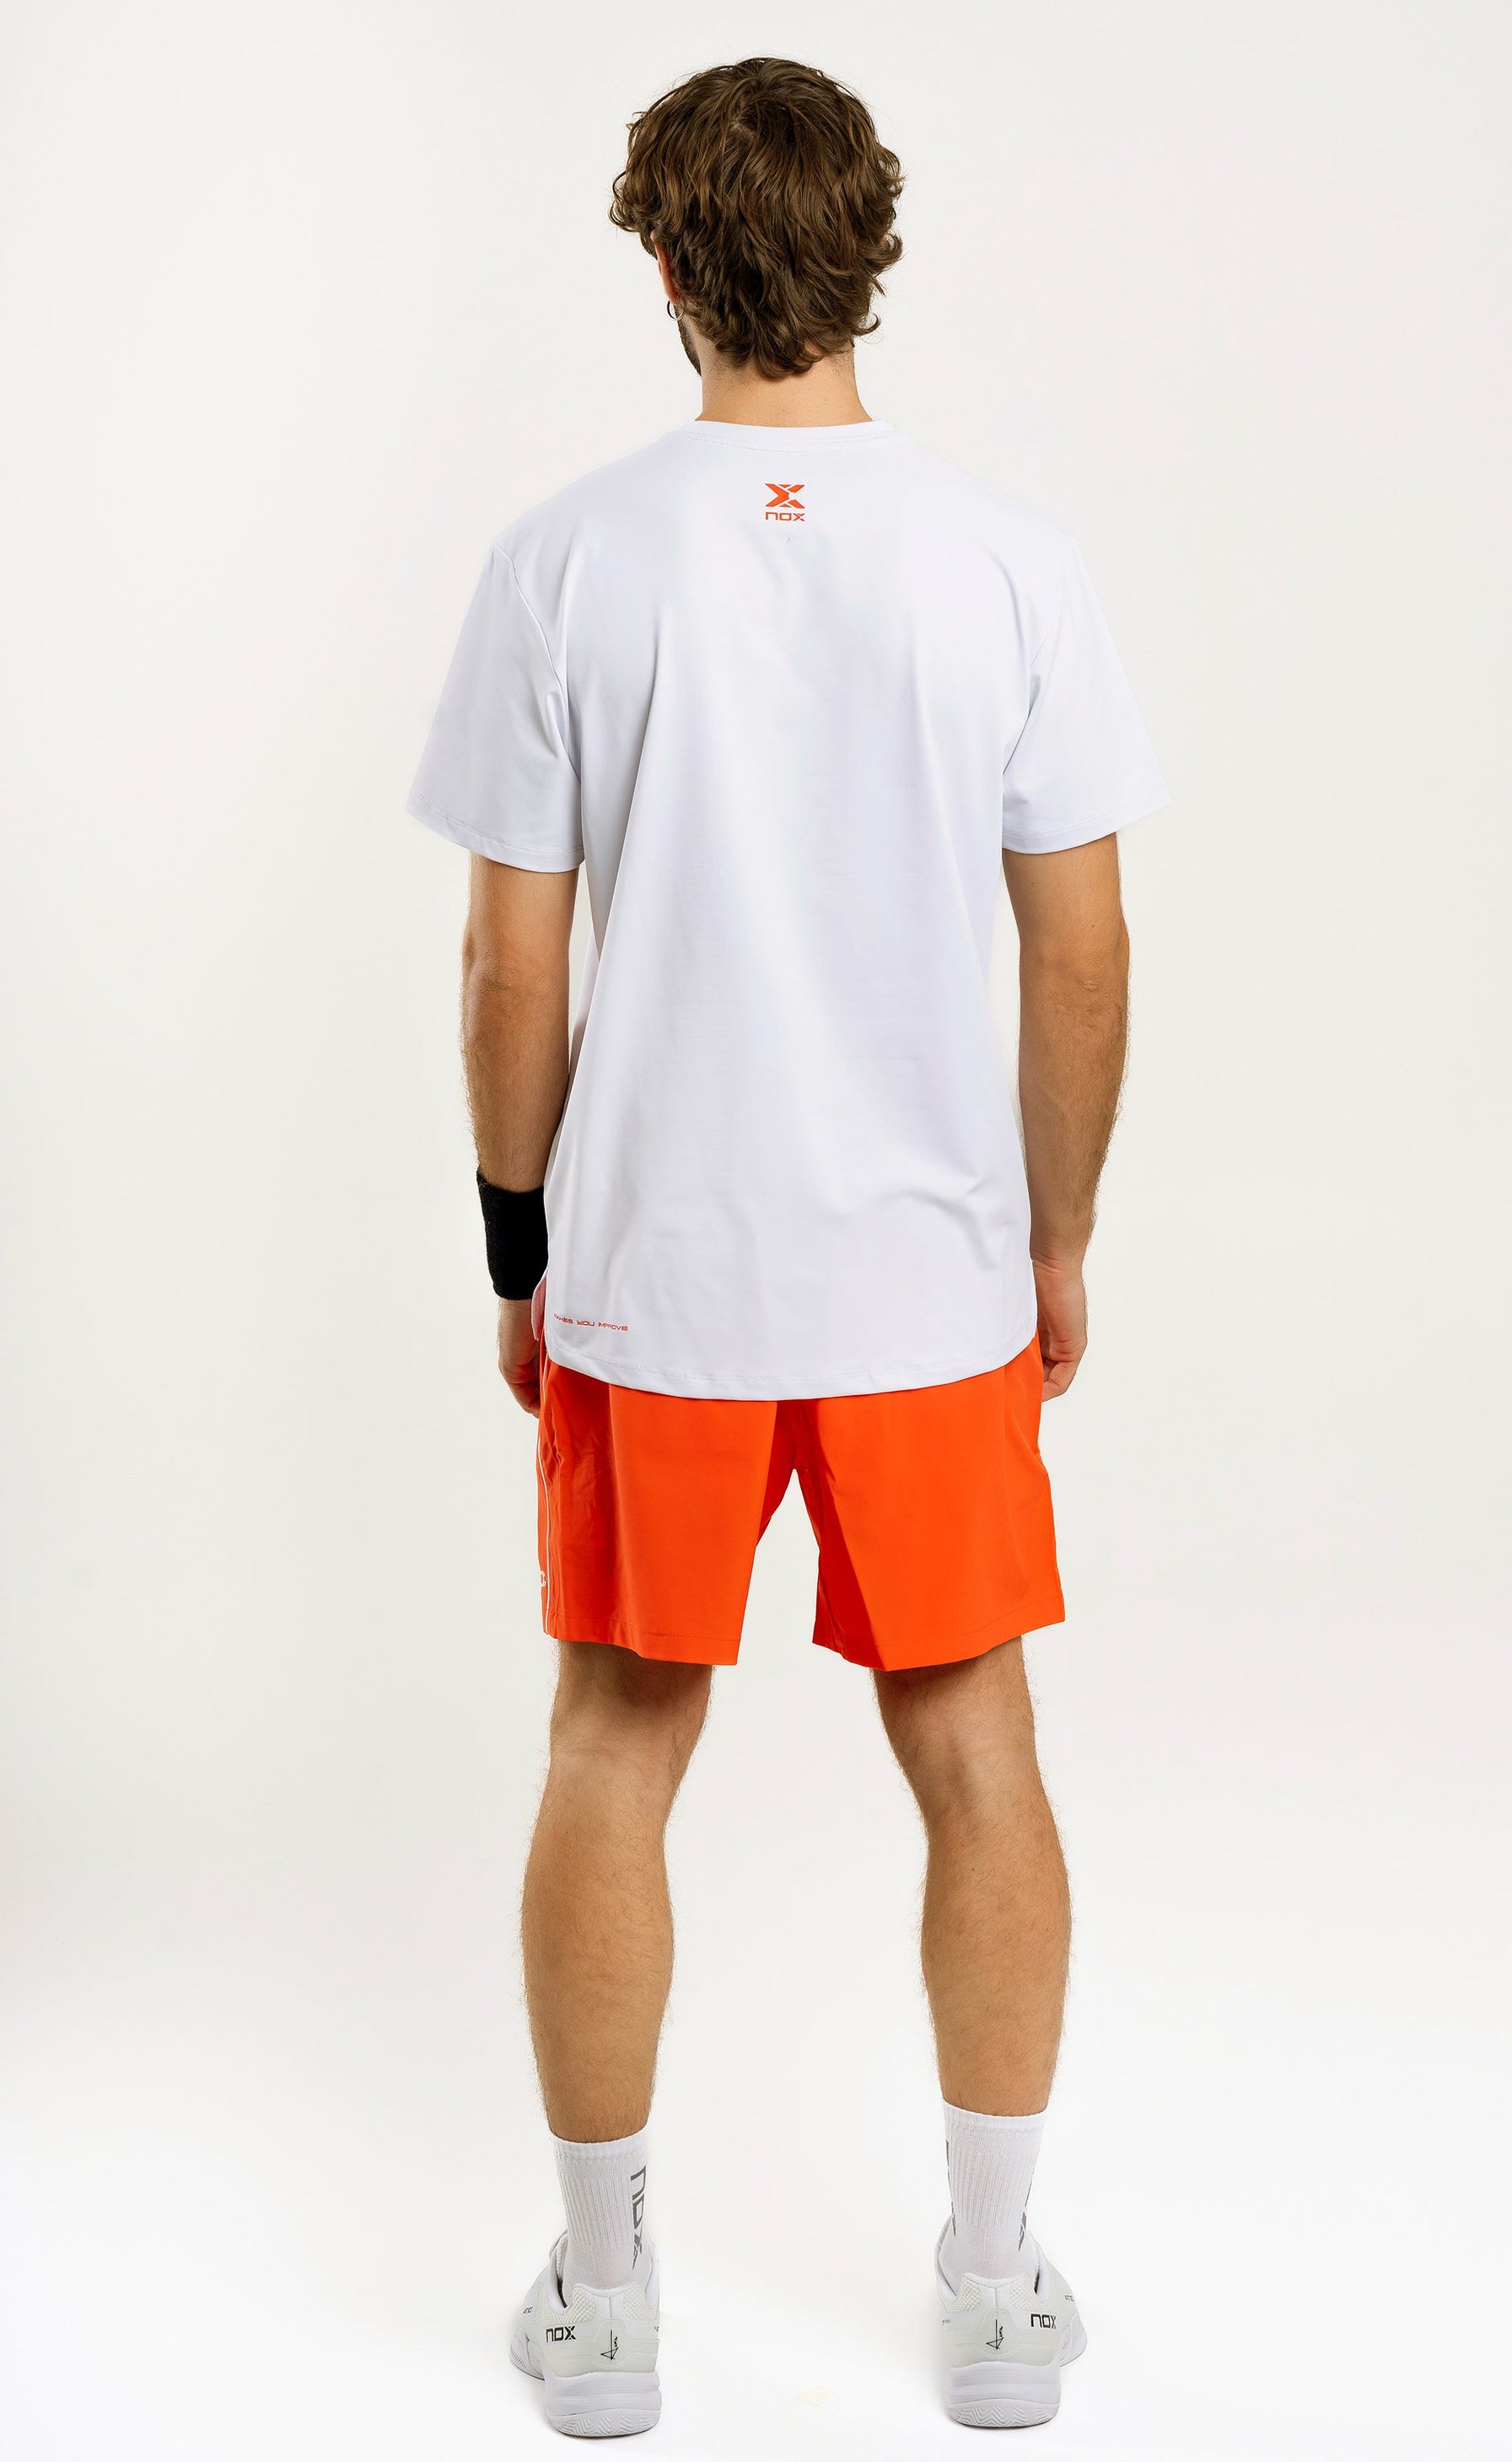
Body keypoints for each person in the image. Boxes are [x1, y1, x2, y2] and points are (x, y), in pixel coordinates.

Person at [408, 55, 1167, 2438]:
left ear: (662, 262)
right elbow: (1078, 952)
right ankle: (994, 2285)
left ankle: (606, 2299)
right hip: (927, 1282)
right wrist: (1055, 1239)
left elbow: (508, 961)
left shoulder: (568, 558)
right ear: (875, 252)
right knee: (976, 1745)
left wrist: (520, 1236)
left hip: (658, 1270)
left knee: (614, 1741)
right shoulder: (1007, 562)